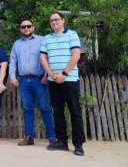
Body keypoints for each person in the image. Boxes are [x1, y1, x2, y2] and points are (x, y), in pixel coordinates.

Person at [40, 12, 86, 156]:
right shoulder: (47, 38)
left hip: (70, 79)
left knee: (75, 111)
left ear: (63, 20)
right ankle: (62, 142)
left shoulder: (72, 35)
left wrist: (63, 73)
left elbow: (76, 55)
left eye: (56, 19)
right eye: (51, 20)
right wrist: (51, 74)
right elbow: (42, 57)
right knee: (57, 111)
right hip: (54, 80)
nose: (54, 22)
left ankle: (78, 145)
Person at [9, 19, 56, 146]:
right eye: (23, 26)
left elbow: (49, 57)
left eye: (28, 26)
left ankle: (52, 138)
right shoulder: (17, 44)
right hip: (24, 81)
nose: (26, 28)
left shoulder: (42, 40)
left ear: (33, 28)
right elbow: (13, 61)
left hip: (40, 79)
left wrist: (47, 75)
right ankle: (29, 137)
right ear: (20, 29)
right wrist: (12, 77)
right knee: (27, 109)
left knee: (45, 108)